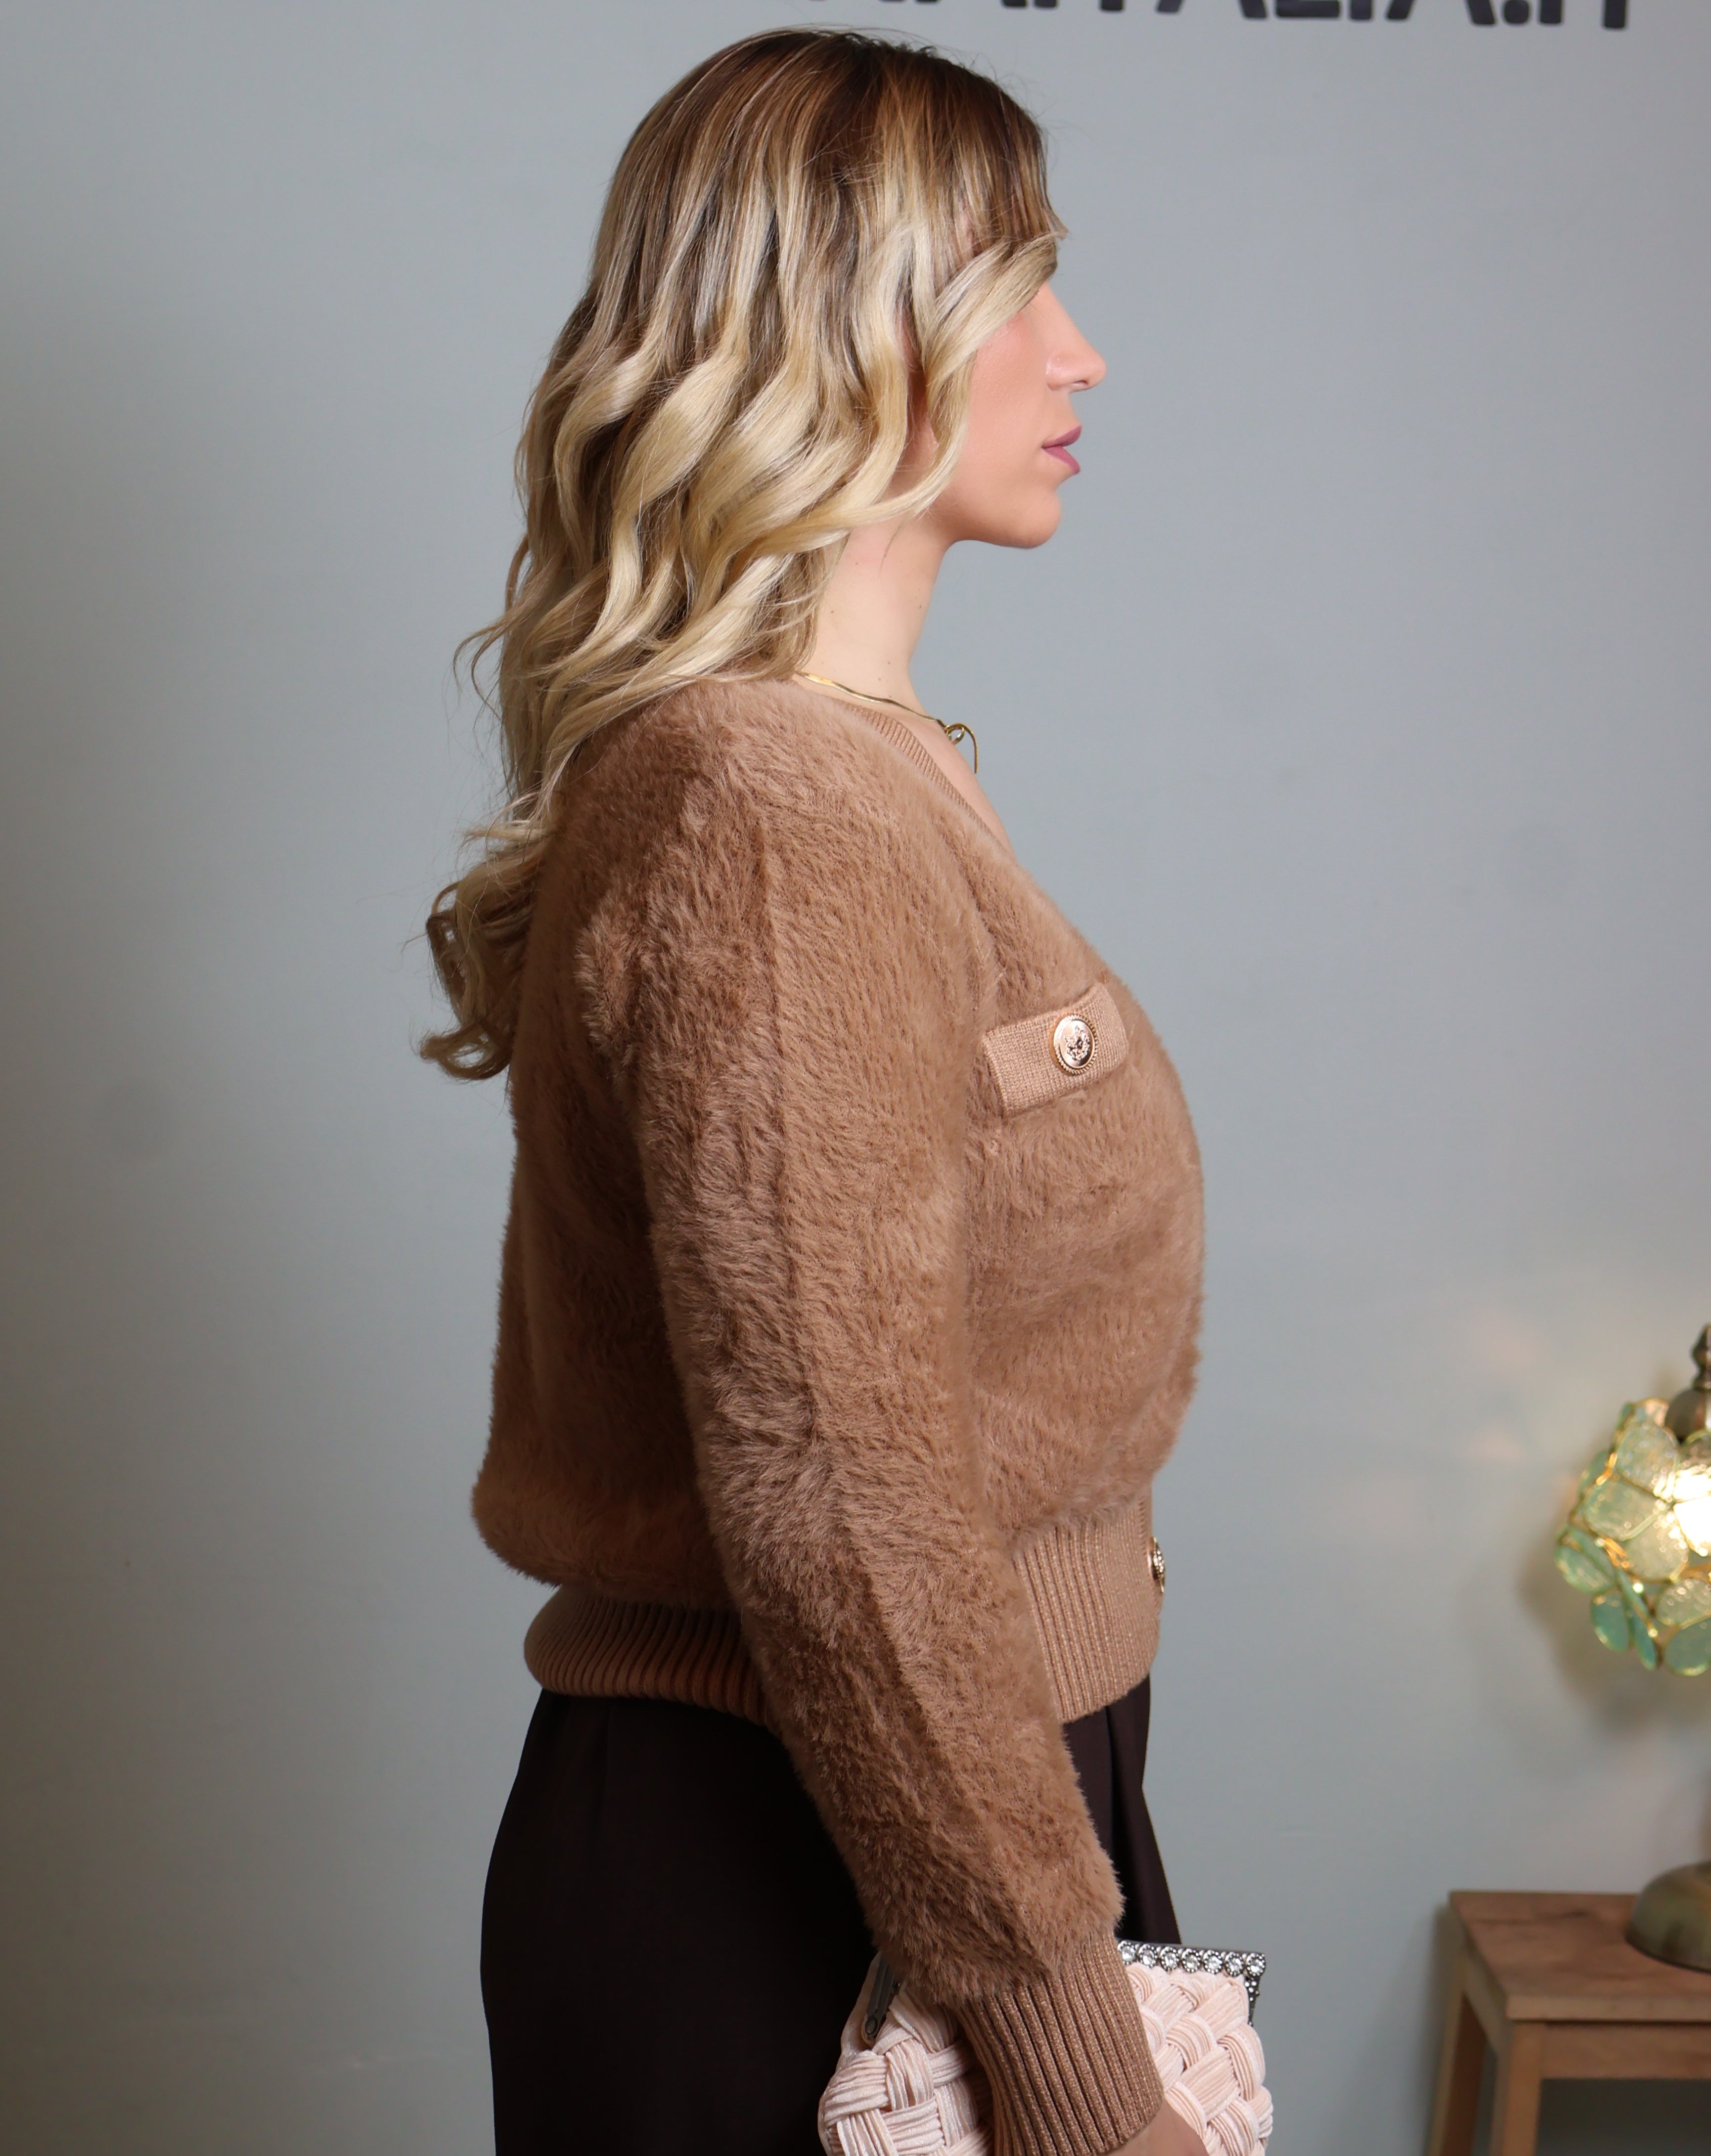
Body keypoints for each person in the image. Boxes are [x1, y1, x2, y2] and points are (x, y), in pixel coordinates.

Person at [422, 30, 1205, 2156]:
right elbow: (844, 1500)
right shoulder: (772, 805)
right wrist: (1075, 2069)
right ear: (851, 326)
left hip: (948, 1833)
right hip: (799, 1869)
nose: (1081, 353)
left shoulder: (863, 770)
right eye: (1020, 288)